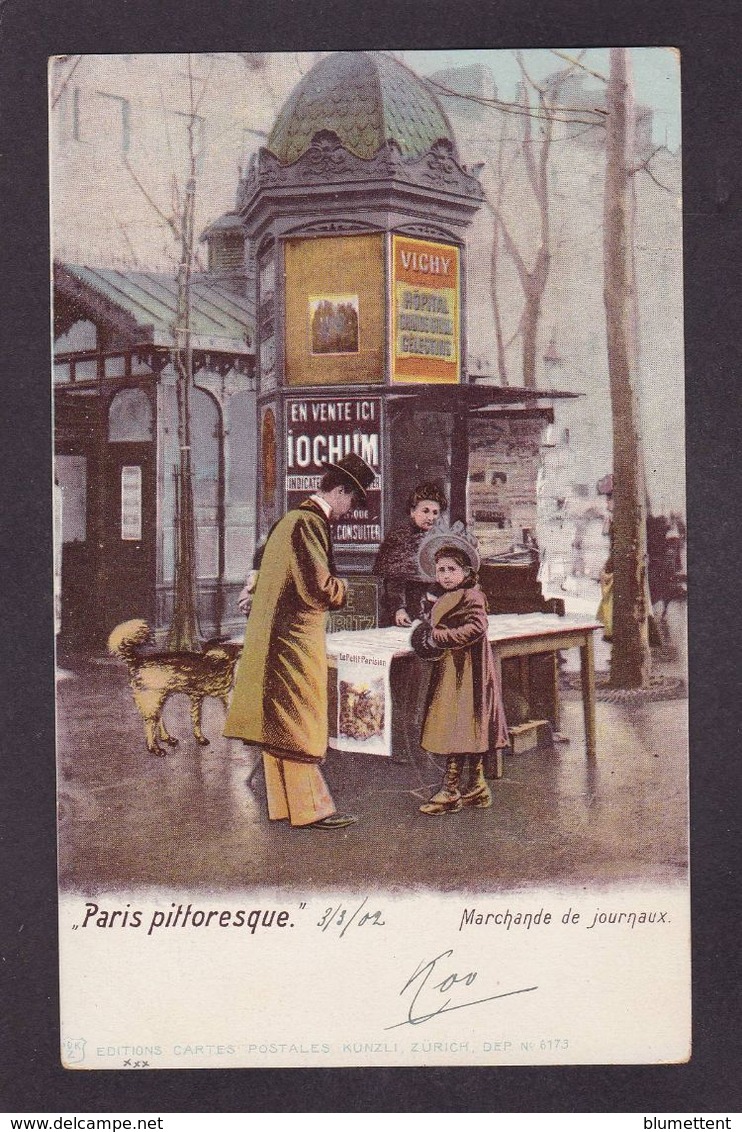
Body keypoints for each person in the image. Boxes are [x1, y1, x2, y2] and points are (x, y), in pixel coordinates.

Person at [224, 452, 375, 830]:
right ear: (339, 491)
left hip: (276, 635)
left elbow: (262, 570)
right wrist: (343, 590)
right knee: (301, 720)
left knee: (280, 722)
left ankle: (285, 807)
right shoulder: (309, 523)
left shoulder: (288, 519)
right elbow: (318, 587)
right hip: (296, 637)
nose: (349, 511)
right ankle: (311, 810)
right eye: (352, 501)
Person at [413, 524, 509, 816]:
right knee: (462, 726)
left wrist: (438, 636)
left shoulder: (472, 597)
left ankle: (451, 789)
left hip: (469, 672)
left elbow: (477, 628)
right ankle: (476, 786)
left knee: (464, 726)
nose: (444, 575)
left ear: (466, 572)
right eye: (440, 570)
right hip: (451, 672)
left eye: (451, 570)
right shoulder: (442, 596)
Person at [372, 482, 448, 627]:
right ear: (413, 512)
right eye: (425, 511)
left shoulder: (437, 539)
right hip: (402, 613)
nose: (430, 517)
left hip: (428, 610)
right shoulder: (399, 537)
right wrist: (398, 609)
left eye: (435, 512)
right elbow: (393, 580)